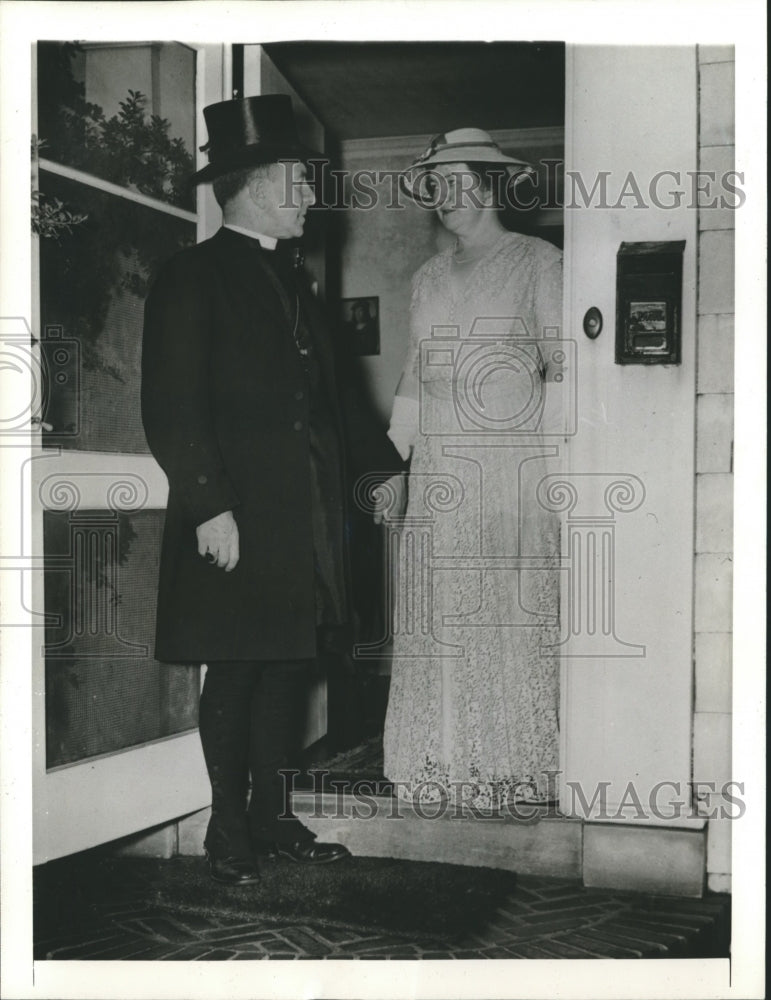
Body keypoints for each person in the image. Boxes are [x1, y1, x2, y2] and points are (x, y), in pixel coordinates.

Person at [141, 95, 405, 885]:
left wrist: (380, 475)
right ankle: (228, 834)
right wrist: (209, 505)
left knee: (289, 666)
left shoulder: (297, 282)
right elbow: (172, 406)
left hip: (309, 522)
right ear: (253, 186)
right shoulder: (191, 277)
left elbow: (338, 408)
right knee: (239, 669)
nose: (307, 194)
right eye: (297, 178)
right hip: (238, 519)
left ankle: (273, 818)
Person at [383, 128, 563, 812]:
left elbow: (562, 365)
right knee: (439, 614)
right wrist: (394, 462)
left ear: (489, 186)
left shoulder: (537, 261)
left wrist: (556, 466)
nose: (441, 195)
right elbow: (412, 371)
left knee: (503, 615)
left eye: (455, 180)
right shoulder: (426, 277)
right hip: (437, 469)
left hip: (509, 465)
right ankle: (440, 759)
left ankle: (509, 767)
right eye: (433, 182)